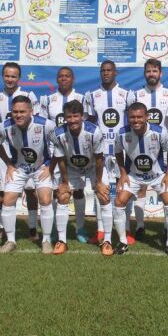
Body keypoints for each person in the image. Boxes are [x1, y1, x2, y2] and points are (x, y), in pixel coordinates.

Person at [0, 62, 40, 241]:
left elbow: (37, 119)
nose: (10, 79)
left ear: (19, 77)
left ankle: (32, 227)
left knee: (31, 190)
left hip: (26, 149)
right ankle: (4, 227)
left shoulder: (28, 95)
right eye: (7, 76)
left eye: (13, 76)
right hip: (5, 153)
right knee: (4, 190)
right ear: (3, 76)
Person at [0, 96, 55, 254]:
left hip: (42, 167)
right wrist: (8, 163)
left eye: (22, 111)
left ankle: (46, 240)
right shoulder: (4, 127)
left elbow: (61, 146)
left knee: (45, 199)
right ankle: (10, 240)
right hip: (19, 167)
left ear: (31, 111)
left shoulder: (46, 125)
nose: (18, 115)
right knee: (7, 200)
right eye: (15, 112)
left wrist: (50, 167)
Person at [114, 102, 168, 256]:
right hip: (134, 176)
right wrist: (123, 174)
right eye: (132, 117)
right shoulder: (122, 133)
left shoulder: (160, 132)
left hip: (157, 176)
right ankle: (122, 242)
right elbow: (117, 153)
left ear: (147, 117)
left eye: (140, 117)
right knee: (119, 202)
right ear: (128, 118)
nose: (136, 120)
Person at [51, 100, 111, 255]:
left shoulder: (94, 132)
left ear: (82, 116)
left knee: (103, 196)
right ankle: (62, 240)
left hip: (93, 167)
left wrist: (98, 182)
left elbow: (99, 159)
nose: (72, 120)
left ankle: (107, 241)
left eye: (75, 116)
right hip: (71, 167)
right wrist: (64, 182)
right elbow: (61, 159)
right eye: (68, 117)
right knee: (63, 196)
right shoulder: (58, 134)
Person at [84, 60, 132, 247]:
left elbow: (131, 122)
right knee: (101, 191)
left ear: (115, 72)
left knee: (123, 190)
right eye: (103, 70)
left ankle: (125, 230)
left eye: (109, 70)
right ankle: (101, 231)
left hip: (122, 152)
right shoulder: (91, 96)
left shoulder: (127, 94)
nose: (106, 73)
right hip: (100, 153)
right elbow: (90, 124)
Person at [126, 58, 168, 240]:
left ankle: (166, 227)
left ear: (160, 73)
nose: (151, 74)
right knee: (140, 188)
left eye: (155, 71)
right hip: (139, 145)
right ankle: (140, 226)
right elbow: (130, 121)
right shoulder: (135, 95)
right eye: (148, 71)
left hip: (160, 145)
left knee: (164, 187)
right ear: (144, 73)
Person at [39, 67, 87, 242]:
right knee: (55, 190)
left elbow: (85, 125)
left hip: (76, 151)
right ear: (57, 79)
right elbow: (44, 126)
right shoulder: (48, 99)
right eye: (60, 76)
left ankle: (80, 228)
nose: (64, 79)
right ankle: (53, 228)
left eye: (67, 76)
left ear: (73, 79)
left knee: (79, 190)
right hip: (55, 150)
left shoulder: (82, 98)